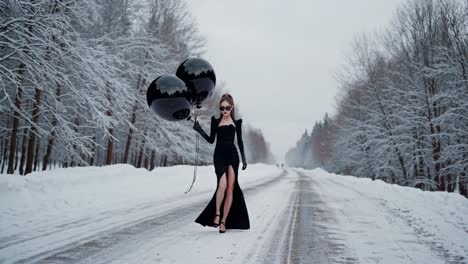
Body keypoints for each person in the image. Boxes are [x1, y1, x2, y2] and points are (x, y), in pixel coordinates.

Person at [192, 93, 250, 233]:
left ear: (232, 108)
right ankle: (217, 214)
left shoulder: (237, 123)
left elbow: (240, 142)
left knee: (231, 188)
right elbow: (211, 140)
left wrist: (243, 158)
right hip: (219, 156)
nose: (224, 110)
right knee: (222, 185)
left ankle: (224, 221)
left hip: (233, 156)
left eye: (227, 108)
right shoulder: (215, 121)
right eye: (222, 108)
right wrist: (199, 129)